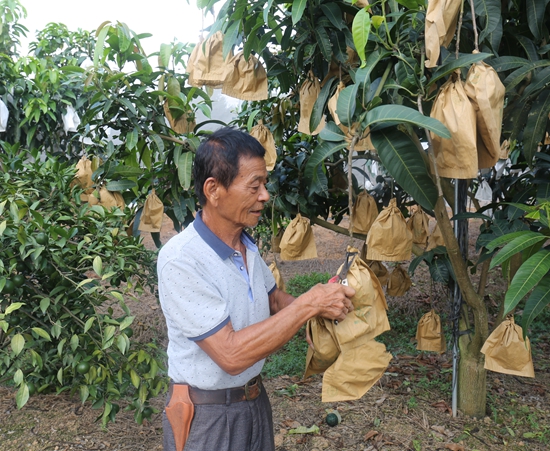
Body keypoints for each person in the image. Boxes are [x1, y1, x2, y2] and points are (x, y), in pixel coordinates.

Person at [157, 127, 355, 451]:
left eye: (264, 184)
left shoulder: (243, 245)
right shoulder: (182, 260)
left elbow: (274, 299)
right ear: (214, 190)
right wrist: (309, 304)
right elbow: (231, 354)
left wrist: (318, 311)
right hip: (206, 417)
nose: (264, 195)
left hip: (253, 402)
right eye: (254, 186)